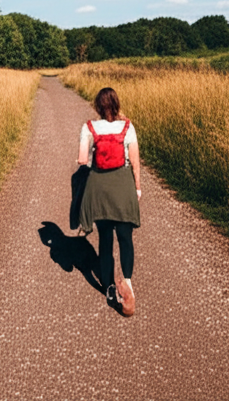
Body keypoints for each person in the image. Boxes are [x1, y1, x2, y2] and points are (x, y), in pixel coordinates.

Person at [77, 87, 142, 316]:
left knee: (105, 240)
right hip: (123, 186)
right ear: (116, 103)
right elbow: (134, 161)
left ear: (97, 106)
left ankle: (108, 286)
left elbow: (83, 160)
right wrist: (137, 188)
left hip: (101, 190)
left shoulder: (89, 127)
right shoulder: (128, 127)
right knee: (125, 238)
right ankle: (128, 283)